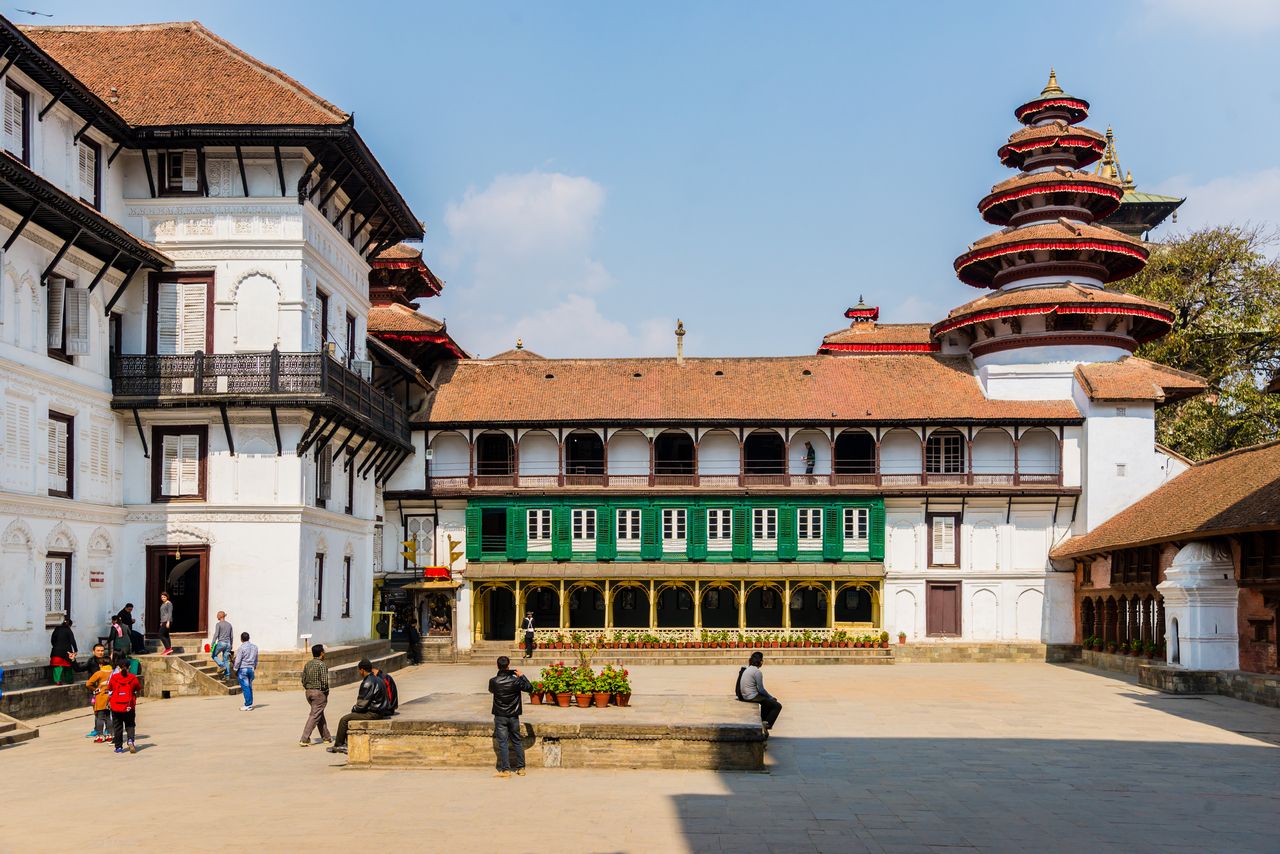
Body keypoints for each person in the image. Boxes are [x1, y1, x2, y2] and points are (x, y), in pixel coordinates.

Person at [327, 659, 392, 754]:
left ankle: (339, 745)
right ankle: (344, 744)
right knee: (350, 717)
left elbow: (361, 705)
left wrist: (354, 709)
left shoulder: (367, 682)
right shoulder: (378, 679)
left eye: (359, 670)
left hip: (373, 713)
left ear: (362, 670)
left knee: (344, 719)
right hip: (381, 711)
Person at [736, 651, 782, 734]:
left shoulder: (748, 668)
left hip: (744, 695)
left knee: (766, 702)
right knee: (777, 706)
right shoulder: (757, 672)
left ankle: (763, 721)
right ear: (760, 661)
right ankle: (767, 724)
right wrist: (771, 697)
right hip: (751, 696)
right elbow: (761, 689)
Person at [298, 644, 331, 746]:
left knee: (318, 714)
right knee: (314, 715)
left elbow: (303, 679)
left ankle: (326, 737)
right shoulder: (322, 665)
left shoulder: (308, 664)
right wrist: (325, 692)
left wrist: (308, 688)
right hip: (319, 693)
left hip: (308, 692)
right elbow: (324, 682)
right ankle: (304, 738)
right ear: (321, 653)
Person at [107, 655, 141, 754]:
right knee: (130, 725)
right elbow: (138, 688)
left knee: (118, 727)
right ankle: (130, 740)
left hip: (116, 706)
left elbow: (110, 688)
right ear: (129, 667)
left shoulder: (114, 677)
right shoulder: (133, 678)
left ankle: (118, 747)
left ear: (119, 667)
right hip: (129, 706)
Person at [85, 660, 113, 742]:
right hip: (110, 697)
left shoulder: (99, 673)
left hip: (100, 697)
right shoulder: (114, 673)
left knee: (100, 718)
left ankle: (100, 736)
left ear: (101, 664)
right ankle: (109, 735)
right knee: (108, 717)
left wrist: (96, 689)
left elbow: (88, 684)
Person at [233, 632, 258, 711]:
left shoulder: (241, 648)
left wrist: (235, 668)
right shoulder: (255, 647)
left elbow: (238, 660)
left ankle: (248, 704)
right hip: (251, 668)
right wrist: (254, 667)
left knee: (245, 687)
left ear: (241, 639)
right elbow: (256, 659)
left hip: (243, 669)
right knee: (249, 687)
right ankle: (249, 704)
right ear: (249, 638)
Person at [49, 617, 78, 684]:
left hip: (56, 652)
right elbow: (72, 641)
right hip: (66, 652)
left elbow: (52, 640)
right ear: (70, 625)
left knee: (57, 667)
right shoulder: (68, 630)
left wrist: (55, 647)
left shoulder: (57, 629)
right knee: (68, 667)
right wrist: (75, 650)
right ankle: (69, 680)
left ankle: (57, 681)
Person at [210, 611, 233, 681]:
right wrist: (231, 645)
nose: (216, 617)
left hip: (221, 643)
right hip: (228, 643)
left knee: (213, 655)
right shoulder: (229, 625)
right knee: (226, 659)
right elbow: (231, 636)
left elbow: (216, 634)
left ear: (220, 616)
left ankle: (221, 665)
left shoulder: (218, 624)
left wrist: (212, 643)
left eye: (217, 615)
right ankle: (227, 676)